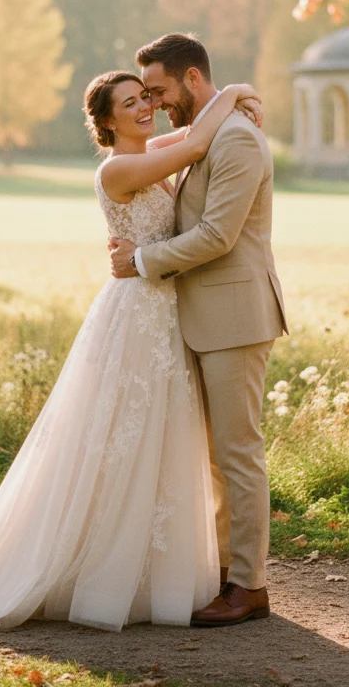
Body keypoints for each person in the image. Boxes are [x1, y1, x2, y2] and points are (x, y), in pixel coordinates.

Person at [0, 69, 265, 633]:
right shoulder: (119, 168)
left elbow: (195, 136)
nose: (146, 107)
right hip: (135, 315)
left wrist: (232, 96)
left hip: (164, 318)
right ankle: (95, 565)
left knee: (159, 442)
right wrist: (235, 94)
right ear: (107, 121)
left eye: (148, 97)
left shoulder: (149, 151)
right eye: (131, 102)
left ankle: (158, 568)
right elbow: (196, 140)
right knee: (115, 442)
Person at [109, 33, 288, 629]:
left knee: (237, 454)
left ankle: (249, 585)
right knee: (214, 458)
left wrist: (140, 260)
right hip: (203, 317)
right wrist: (236, 89)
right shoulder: (206, 133)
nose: (154, 104)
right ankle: (221, 574)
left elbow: (217, 236)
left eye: (158, 90)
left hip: (235, 317)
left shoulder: (236, 139)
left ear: (190, 79)